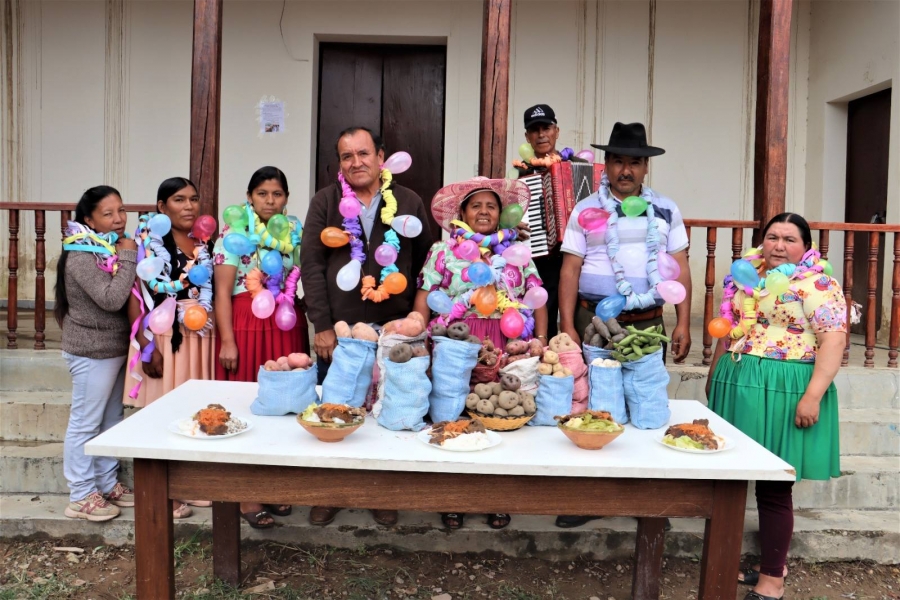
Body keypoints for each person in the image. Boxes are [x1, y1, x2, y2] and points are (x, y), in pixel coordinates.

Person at [555, 122, 692, 529]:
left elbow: (681, 266)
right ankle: (590, 498)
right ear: (607, 165)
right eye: (618, 161)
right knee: (596, 405)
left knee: (646, 403)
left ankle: (649, 503)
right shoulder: (586, 210)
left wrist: (683, 321)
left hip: (648, 320)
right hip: (593, 317)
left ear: (646, 168)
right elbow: (570, 269)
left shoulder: (666, 208)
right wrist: (568, 324)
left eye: (635, 162)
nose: (626, 170)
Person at [707, 213, 844, 600]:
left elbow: (833, 341)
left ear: (806, 246)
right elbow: (729, 323)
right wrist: (715, 373)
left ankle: (772, 582)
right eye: (771, 237)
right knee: (730, 479)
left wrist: (813, 395)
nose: (778, 246)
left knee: (773, 485)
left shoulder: (818, 284)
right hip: (740, 380)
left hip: (786, 387)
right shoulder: (745, 275)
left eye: (789, 239)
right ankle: (748, 562)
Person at [301, 126, 434, 527]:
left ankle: (383, 494)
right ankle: (331, 493)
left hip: (394, 330)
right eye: (346, 156)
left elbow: (427, 261)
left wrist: (417, 318)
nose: (356, 162)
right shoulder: (326, 202)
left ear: (381, 156)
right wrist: (321, 325)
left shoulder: (407, 200)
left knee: (394, 408)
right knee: (337, 412)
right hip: (341, 331)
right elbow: (310, 264)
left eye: (363, 153)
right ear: (339, 163)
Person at [413, 176, 549, 530]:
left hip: (508, 342)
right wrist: (417, 336)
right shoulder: (442, 252)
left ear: (502, 214)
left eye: (491, 205)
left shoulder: (516, 251)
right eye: (476, 205)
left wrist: (541, 341)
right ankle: (452, 500)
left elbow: (537, 295)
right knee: (455, 415)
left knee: (502, 416)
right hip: (457, 342)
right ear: (462, 212)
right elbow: (426, 297)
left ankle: (498, 499)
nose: (484, 211)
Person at [213, 166, 309, 529]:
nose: (270, 201)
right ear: (250, 196)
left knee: (286, 403)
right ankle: (245, 493)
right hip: (246, 322)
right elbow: (223, 291)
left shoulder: (294, 231)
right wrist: (227, 340)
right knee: (246, 406)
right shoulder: (234, 232)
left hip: (285, 323)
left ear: (286, 197)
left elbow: (306, 275)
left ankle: (275, 484)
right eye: (263, 194)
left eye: (278, 194)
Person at [124, 177, 215, 519]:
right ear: (162, 207)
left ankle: (188, 485)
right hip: (162, 337)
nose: (189, 206)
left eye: (193, 199)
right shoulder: (148, 242)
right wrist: (146, 346)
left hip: (197, 336)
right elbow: (136, 294)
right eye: (179, 200)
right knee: (162, 414)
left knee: (192, 410)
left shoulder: (203, 242)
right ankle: (163, 492)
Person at [54, 186, 138, 521]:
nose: (118, 219)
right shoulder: (82, 255)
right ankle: (79, 495)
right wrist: (130, 255)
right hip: (91, 352)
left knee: (111, 419)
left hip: (114, 347)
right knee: (85, 423)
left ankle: (105, 483)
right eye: (108, 213)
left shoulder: (108, 248)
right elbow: (110, 299)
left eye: (121, 210)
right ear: (88, 219)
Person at [512, 104, 587, 339]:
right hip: (544, 256)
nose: (541, 134)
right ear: (527, 137)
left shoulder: (578, 166)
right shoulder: (524, 173)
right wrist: (515, 223)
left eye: (547, 128)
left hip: (576, 257)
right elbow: (515, 210)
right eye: (534, 130)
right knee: (542, 315)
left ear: (557, 131)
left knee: (577, 319)